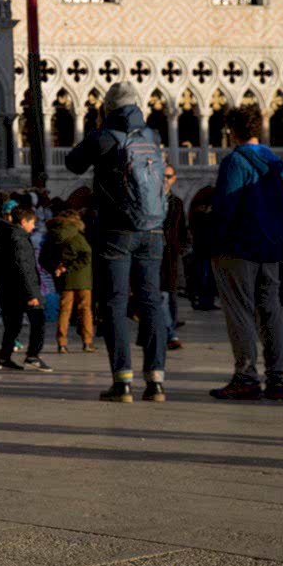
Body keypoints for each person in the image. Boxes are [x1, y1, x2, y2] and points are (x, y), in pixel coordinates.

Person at [65, 81, 169, 403]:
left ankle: (122, 382)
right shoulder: (152, 137)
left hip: (116, 234)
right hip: (153, 230)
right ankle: (156, 382)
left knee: (115, 302)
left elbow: (72, 163)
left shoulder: (104, 137)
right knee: (151, 302)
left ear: (107, 109)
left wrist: (99, 128)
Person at [207, 104, 283, 402]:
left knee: (241, 311)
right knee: (271, 313)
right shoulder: (276, 163)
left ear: (232, 131)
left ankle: (246, 377)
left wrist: (213, 241)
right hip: (270, 250)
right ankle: (276, 380)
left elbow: (225, 209)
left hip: (238, 248)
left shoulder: (235, 162)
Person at [0, 205, 51, 372]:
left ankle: (4, 357)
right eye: (32, 222)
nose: (33, 226)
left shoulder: (6, 234)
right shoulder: (18, 239)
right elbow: (23, 267)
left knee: (13, 324)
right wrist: (32, 294)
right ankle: (33, 355)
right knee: (38, 320)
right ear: (23, 221)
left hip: (8, 288)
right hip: (22, 289)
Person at [40, 207, 94, 352]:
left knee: (64, 310)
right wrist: (71, 266)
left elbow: (43, 259)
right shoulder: (77, 235)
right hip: (82, 277)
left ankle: (62, 343)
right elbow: (87, 255)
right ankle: (87, 342)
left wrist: (56, 268)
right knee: (85, 309)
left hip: (63, 279)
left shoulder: (51, 236)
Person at [161, 164, 189, 350]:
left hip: (171, 254)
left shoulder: (177, 202)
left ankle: (169, 329)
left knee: (171, 295)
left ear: (174, 179)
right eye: (161, 175)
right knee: (161, 295)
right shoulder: (150, 200)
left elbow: (182, 228)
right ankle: (170, 334)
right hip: (154, 254)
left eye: (168, 176)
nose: (164, 179)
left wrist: (183, 246)